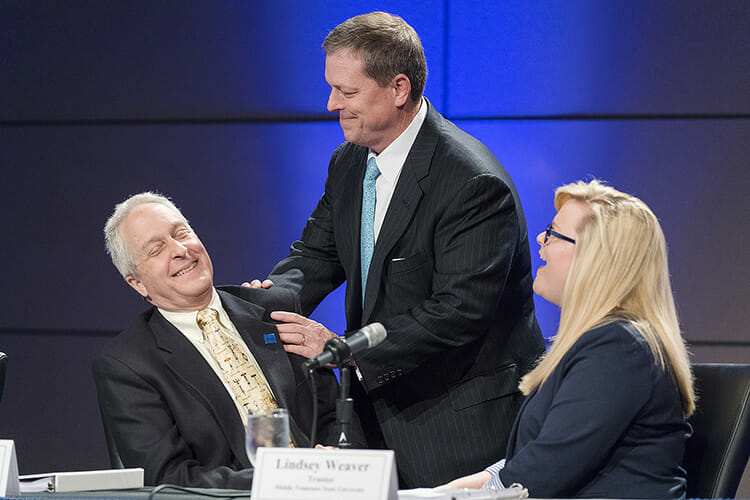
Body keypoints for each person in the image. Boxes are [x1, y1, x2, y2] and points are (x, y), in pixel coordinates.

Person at [249, 12, 546, 487]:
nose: (330, 105)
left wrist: (343, 351)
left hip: (456, 425)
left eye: (347, 92)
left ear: (399, 89)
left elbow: (458, 313)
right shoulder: (349, 162)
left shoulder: (472, 182)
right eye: (332, 89)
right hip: (376, 420)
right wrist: (253, 306)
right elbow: (316, 256)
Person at [442, 180, 696, 499]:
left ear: (597, 258)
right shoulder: (607, 341)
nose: (540, 239)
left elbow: (543, 472)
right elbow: (538, 457)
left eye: (553, 232)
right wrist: (458, 488)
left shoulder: (618, 349)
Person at [93, 192, 363, 488]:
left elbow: (334, 415)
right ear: (138, 283)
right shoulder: (128, 364)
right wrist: (283, 478)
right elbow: (168, 479)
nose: (180, 249)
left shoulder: (274, 309)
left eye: (181, 233)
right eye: (157, 249)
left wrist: (338, 460)